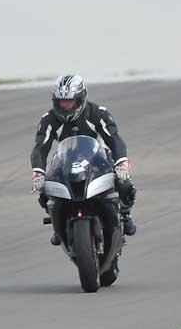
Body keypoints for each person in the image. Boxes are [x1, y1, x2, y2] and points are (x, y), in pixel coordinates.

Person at [30, 75, 137, 243]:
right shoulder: (48, 120)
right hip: (65, 161)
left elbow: (114, 139)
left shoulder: (98, 113)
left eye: (69, 101)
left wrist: (121, 162)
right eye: (61, 102)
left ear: (80, 99)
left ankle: (125, 214)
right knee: (45, 189)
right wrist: (38, 173)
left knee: (124, 181)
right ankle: (58, 224)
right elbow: (40, 148)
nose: (65, 106)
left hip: (99, 159)